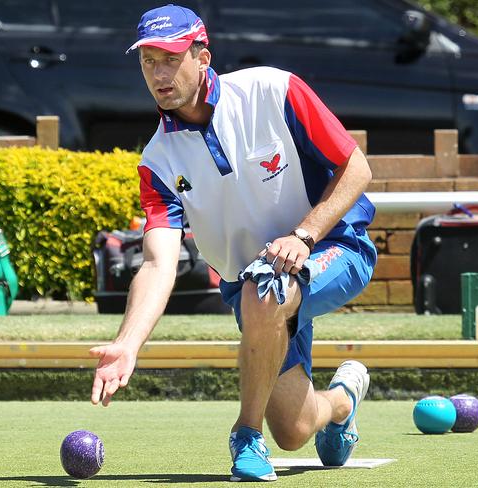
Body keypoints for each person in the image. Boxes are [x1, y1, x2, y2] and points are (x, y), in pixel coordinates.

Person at [90, 4, 378, 482]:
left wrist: (304, 235)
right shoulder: (156, 162)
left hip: (336, 246)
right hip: (253, 285)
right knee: (295, 428)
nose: (159, 74)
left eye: (170, 58)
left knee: (263, 287)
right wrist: (127, 343)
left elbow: (357, 169)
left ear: (202, 57)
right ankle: (344, 400)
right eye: (148, 62)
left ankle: (245, 434)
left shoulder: (274, 89)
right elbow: (158, 264)